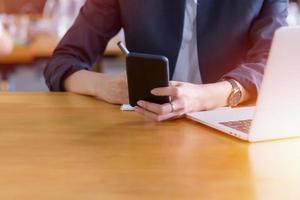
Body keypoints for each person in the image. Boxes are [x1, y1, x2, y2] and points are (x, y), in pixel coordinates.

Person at [44, 0, 287, 122]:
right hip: (147, 129)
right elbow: (62, 63)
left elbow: (274, 62)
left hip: (227, 123)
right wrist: (104, 86)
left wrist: (206, 96)